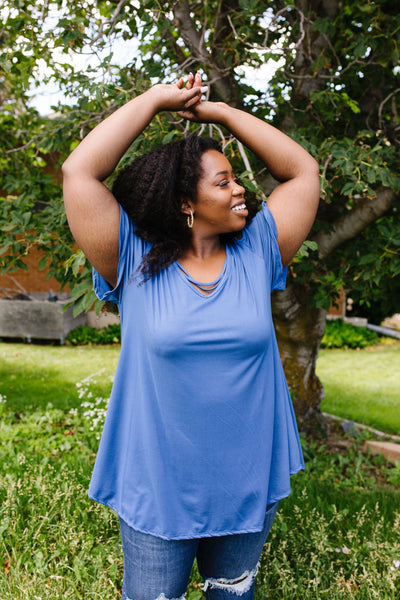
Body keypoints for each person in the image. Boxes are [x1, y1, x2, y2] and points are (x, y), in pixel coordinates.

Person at [62, 71, 320, 600]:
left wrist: (219, 114)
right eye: (222, 182)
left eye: (234, 178)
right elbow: (79, 172)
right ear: (185, 203)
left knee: (231, 591)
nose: (239, 188)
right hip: (159, 481)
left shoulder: (258, 251)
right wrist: (157, 100)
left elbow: (302, 172)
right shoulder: (129, 259)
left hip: (248, 474)